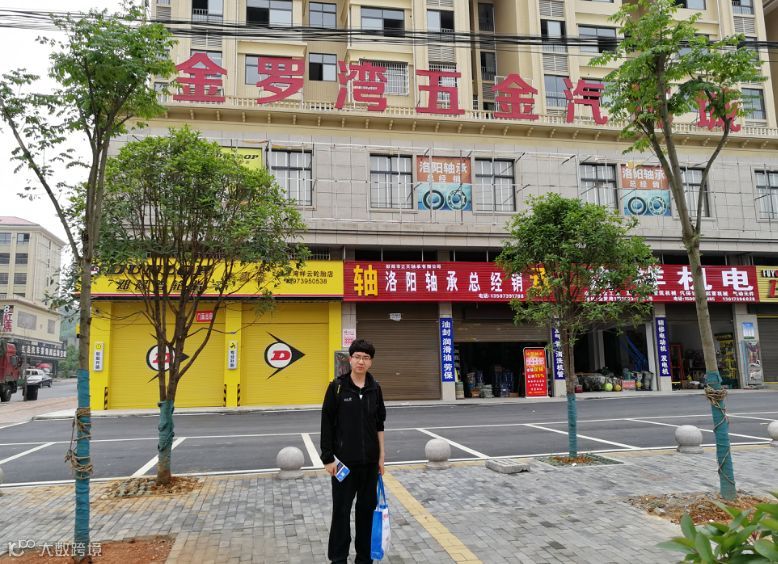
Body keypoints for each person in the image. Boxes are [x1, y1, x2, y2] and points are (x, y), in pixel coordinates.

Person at [320, 339, 386, 564]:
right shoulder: (337, 387)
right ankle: (338, 558)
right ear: (350, 359)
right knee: (341, 512)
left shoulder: (375, 388)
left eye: (366, 358)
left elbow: (379, 424)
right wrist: (328, 458)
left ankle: (364, 558)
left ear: (371, 362)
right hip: (343, 464)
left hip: (369, 464)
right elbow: (327, 423)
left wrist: (381, 457)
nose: (361, 361)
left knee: (366, 512)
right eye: (357, 357)